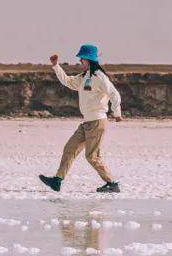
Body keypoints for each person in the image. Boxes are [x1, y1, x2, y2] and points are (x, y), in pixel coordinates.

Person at [39, 44, 123, 193]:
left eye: (82, 58)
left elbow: (114, 94)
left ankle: (112, 183)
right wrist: (56, 66)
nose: (80, 61)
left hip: (97, 122)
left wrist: (117, 113)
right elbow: (68, 81)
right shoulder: (85, 77)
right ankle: (57, 181)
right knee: (70, 149)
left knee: (92, 156)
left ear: (89, 59)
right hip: (87, 123)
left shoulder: (100, 77)